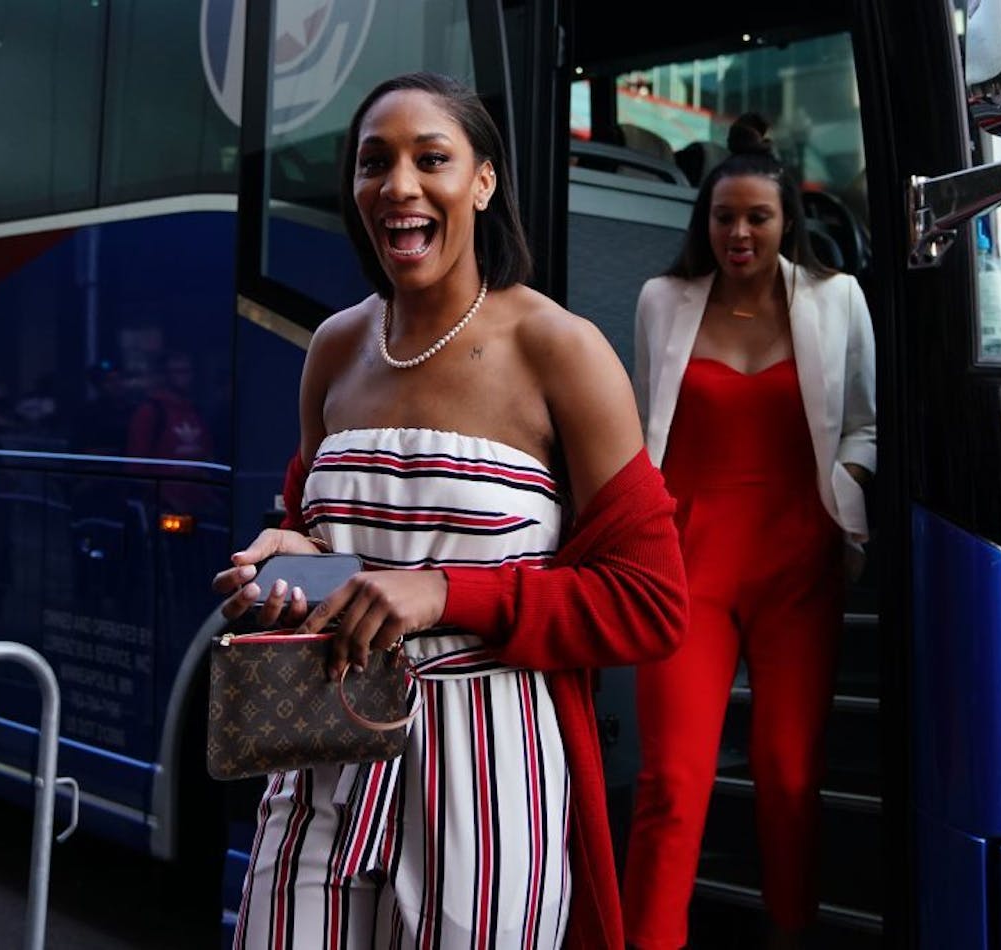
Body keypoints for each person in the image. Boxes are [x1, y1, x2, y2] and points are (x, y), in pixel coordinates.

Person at [211, 72, 687, 949]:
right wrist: (289, 564)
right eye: (373, 163)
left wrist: (446, 591)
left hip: (490, 769)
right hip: (322, 753)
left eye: (431, 158)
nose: (397, 186)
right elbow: (336, 553)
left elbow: (651, 604)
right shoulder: (334, 347)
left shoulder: (563, 351)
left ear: (483, 181)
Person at [621, 115, 876, 948]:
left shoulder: (837, 300)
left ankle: (792, 934)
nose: (738, 232)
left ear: (785, 224)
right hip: (686, 566)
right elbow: (642, 423)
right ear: (705, 224)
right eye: (723, 217)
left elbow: (864, 426)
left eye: (756, 217)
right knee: (672, 778)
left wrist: (847, 486)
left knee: (791, 776)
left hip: (798, 565)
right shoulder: (662, 302)